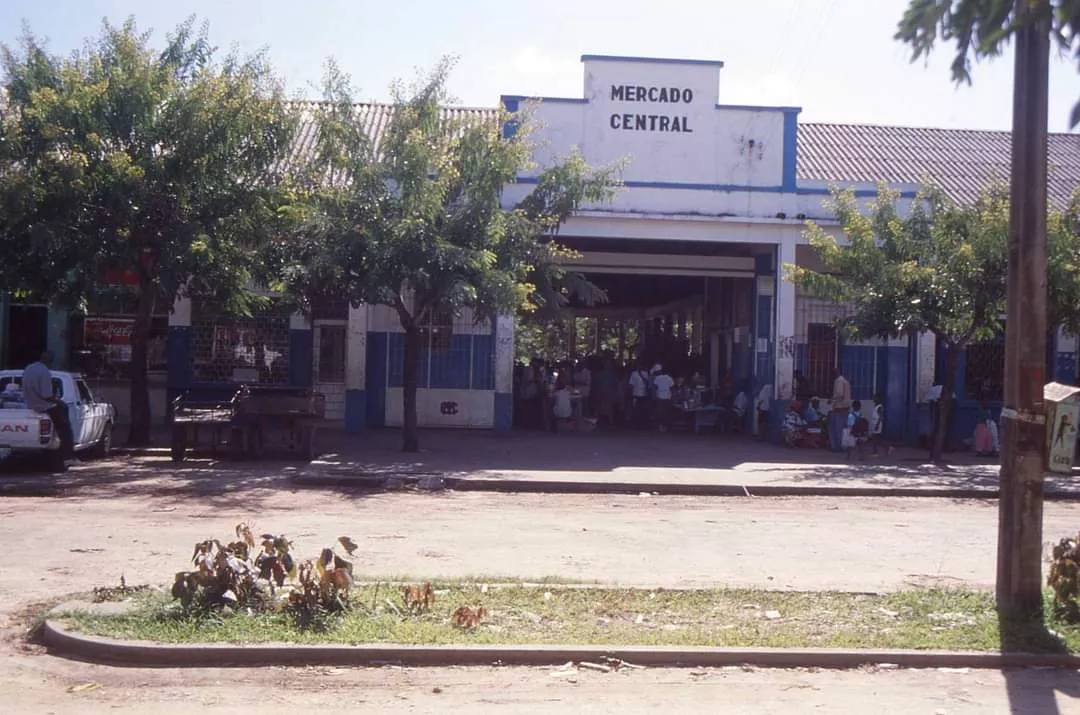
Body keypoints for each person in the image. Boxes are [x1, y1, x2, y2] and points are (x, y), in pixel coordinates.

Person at [23, 351, 74, 463]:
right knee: (64, 424)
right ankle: (68, 454)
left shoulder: (29, 368)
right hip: (43, 405)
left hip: (29, 403)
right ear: (49, 360)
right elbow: (46, 395)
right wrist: (58, 401)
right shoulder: (44, 372)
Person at [829, 368, 852, 453]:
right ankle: (843, 446)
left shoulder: (838, 381)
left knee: (836, 428)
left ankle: (837, 447)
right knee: (843, 428)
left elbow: (839, 394)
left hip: (839, 407)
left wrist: (832, 399)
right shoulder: (846, 381)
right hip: (845, 408)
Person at [651, 364, 675, 432]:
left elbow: (655, 387)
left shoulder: (657, 378)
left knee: (660, 413)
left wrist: (654, 396)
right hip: (668, 397)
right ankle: (667, 426)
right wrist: (672, 396)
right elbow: (672, 388)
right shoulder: (669, 378)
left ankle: (661, 426)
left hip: (660, 397)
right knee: (667, 413)